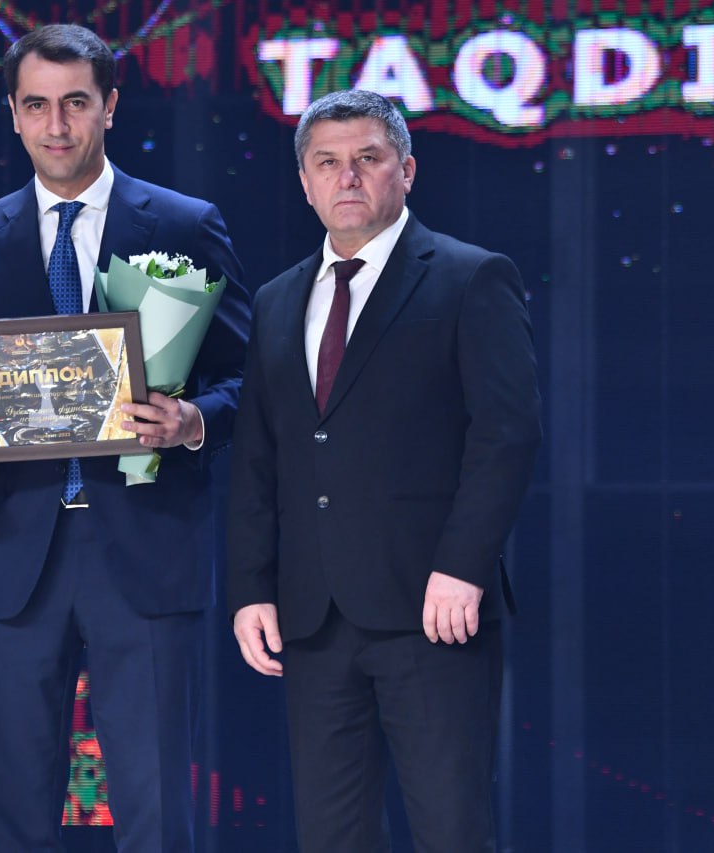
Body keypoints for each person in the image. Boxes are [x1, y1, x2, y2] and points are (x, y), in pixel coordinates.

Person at [0, 23, 250, 853]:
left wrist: (194, 420)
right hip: (13, 555)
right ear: (13, 115)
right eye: (36, 106)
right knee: (16, 812)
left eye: (75, 104)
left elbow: (250, 377)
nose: (56, 125)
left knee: (157, 812)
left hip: (146, 547)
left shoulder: (184, 224)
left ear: (110, 107)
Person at [226, 89, 541, 852]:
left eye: (367, 158)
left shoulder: (470, 277)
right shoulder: (275, 300)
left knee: (451, 831)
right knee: (331, 836)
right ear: (305, 182)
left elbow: (506, 434)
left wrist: (463, 566)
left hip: (433, 610)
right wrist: (250, 587)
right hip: (312, 617)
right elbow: (258, 455)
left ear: (406, 169)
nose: (348, 177)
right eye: (327, 162)